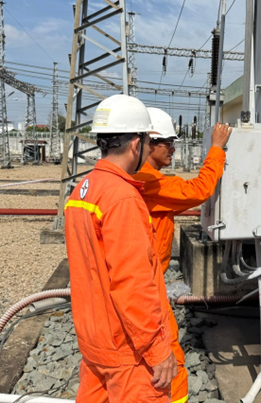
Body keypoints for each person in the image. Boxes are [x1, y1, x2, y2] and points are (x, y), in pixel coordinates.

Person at [65, 95, 177, 403]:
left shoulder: (82, 190)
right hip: (127, 350)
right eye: (148, 141)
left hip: (94, 341)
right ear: (136, 145)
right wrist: (157, 350)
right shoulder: (122, 198)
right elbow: (133, 283)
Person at [133, 108, 232, 403]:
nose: (173, 149)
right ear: (148, 143)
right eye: (168, 143)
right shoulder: (148, 181)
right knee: (167, 346)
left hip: (144, 277)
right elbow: (198, 190)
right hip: (145, 283)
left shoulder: (141, 177)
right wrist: (217, 149)